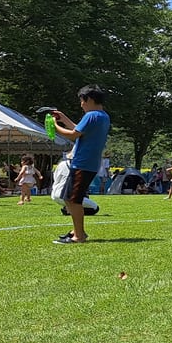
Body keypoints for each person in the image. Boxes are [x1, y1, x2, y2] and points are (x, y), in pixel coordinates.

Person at [48, 85, 111, 244]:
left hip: (82, 163)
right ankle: (76, 231)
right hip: (89, 163)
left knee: (73, 200)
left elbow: (73, 135)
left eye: (82, 101)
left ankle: (79, 236)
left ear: (89, 99)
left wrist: (54, 126)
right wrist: (64, 119)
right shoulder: (102, 116)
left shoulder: (90, 115)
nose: (81, 104)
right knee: (70, 199)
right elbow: (80, 130)